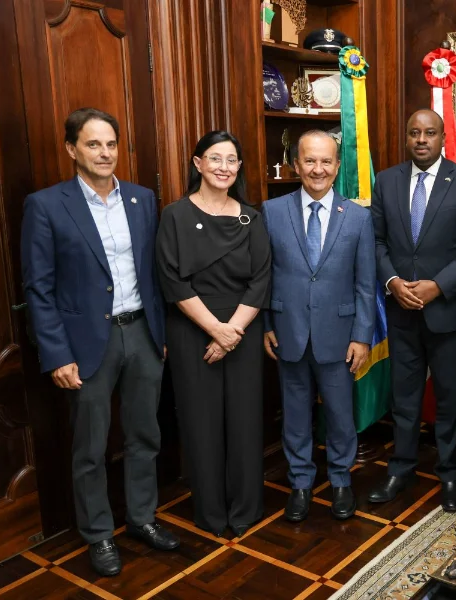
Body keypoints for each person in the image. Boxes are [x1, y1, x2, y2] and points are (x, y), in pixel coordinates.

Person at [21, 108, 178, 577]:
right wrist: (56, 354)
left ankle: (142, 519)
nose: (105, 153)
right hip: (87, 344)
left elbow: (155, 273)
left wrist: (160, 335)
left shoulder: (142, 199)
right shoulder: (46, 205)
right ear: (72, 149)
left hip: (143, 336)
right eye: (93, 144)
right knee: (90, 446)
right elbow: (38, 288)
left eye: (111, 144)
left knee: (145, 435)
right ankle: (98, 534)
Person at [369, 109, 456, 511]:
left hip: (450, 312)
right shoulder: (386, 181)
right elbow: (376, 243)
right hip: (401, 311)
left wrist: (439, 285)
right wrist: (392, 282)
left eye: (430, 133)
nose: (422, 139)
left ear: (441, 138)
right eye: (414, 132)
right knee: (403, 396)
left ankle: (450, 474)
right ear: (407, 137)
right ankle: (400, 468)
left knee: (449, 398)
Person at [156, 131, 271, 539]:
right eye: (215, 158)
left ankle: (245, 508)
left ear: (239, 168)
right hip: (193, 330)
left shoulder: (251, 217)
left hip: (242, 327)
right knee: (200, 423)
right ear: (197, 163)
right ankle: (209, 512)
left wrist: (232, 332)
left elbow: (261, 281)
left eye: (232, 160)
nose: (224, 167)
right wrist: (215, 331)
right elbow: (172, 281)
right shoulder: (174, 215)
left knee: (244, 421)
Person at [261, 130, 375, 522]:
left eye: (326, 161)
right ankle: (300, 483)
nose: (318, 169)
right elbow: (263, 275)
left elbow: (365, 284)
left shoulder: (358, 217)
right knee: (295, 415)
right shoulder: (272, 212)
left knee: (341, 414)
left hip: (339, 336)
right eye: (310, 160)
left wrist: (362, 336)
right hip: (288, 331)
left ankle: (341, 480)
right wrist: (265, 323)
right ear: (297, 164)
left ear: (338, 166)